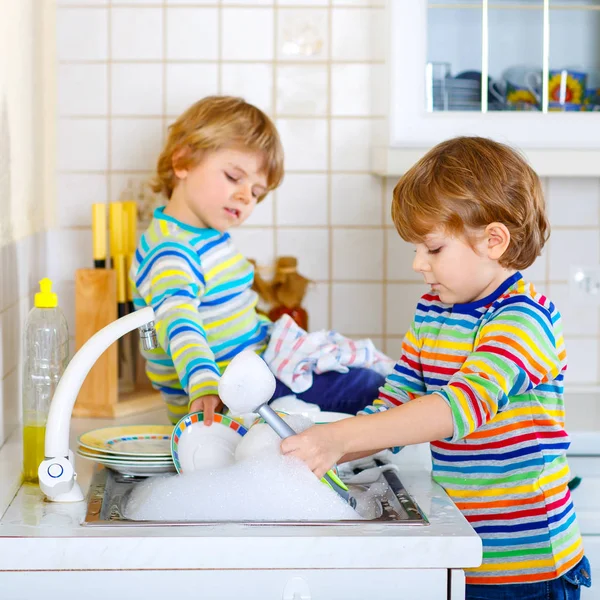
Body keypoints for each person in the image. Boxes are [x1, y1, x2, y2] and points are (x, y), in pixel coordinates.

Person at [281, 136, 592, 599]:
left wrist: (339, 438)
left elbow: (457, 408)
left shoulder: (523, 318)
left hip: (526, 567)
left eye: (432, 248)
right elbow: (398, 398)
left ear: (493, 240)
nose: (417, 264)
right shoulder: (435, 311)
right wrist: (321, 449)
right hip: (465, 552)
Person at [130, 96, 384, 426]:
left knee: (368, 378)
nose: (245, 196)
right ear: (183, 162)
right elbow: (178, 322)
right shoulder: (171, 251)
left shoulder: (204, 235)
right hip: (236, 397)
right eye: (234, 177)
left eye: (256, 192)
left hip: (256, 377)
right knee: (374, 390)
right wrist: (204, 383)